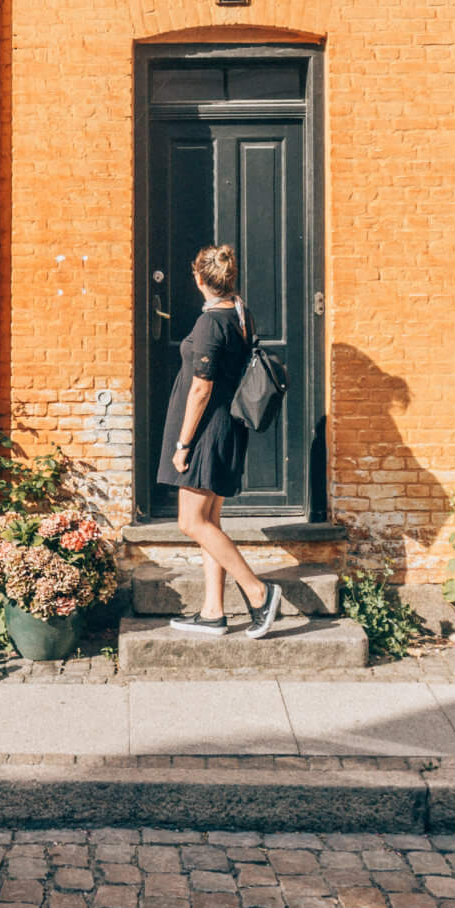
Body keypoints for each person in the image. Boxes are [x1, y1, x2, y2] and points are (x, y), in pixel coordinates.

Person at [156, 243, 283, 639]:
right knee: (210, 521)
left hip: (206, 432)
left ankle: (259, 591)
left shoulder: (211, 324)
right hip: (227, 428)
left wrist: (182, 445)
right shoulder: (240, 313)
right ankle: (213, 611)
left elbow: (200, 389)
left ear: (198, 278)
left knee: (190, 521)